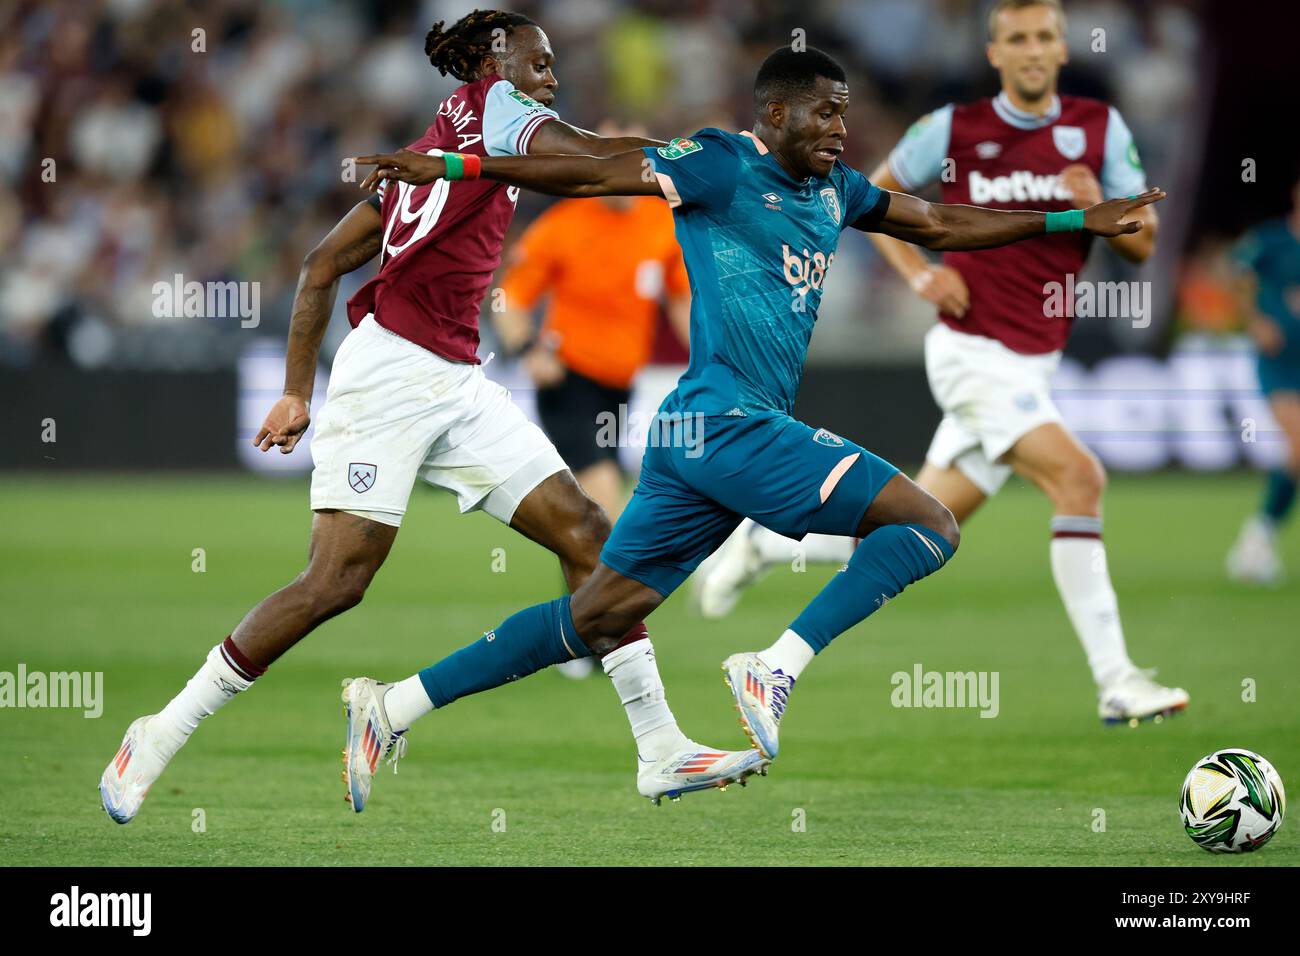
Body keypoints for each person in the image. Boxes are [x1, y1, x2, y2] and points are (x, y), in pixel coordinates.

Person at [347, 43, 1162, 798]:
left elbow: (940, 223)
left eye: (847, 113)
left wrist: (1070, 222)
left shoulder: (836, 190)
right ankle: (775, 666)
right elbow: (598, 174)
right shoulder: (721, 163)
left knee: (597, 615)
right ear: (775, 115)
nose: (843, 129)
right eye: (827, 112)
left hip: (689, 437)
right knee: (930, 524)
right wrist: (458, 164)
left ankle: (393, 706)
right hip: (728, 421)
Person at [99, 9, 761, 826]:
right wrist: (699, 161)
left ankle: (658, 746)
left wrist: (298, 387)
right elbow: (590, 167)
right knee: (336, 582)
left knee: (589, 534)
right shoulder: (496, 110)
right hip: (390, 376)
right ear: (494, 60)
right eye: (540, 60)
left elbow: (323, 264)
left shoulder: (439, 141)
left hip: (455, 376)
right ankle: (158, 733)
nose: (552, 74)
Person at [692, 0, 1189, 727]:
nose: (1031, 50)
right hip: (972, 350)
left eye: (1043, 37)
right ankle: (1116, 680)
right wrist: (919, 274)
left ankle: (764, 543)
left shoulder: (1098, 129)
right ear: (994, 52)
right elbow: (870, 200)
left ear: (1060, 46)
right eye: (1015, 38)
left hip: (1035, 361)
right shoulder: (953, 130)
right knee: (1080, 477)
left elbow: (1138, 240)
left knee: (917, 525)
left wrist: (1099, 205)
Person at [494, 126, 690, 678]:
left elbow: (681, 298)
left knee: (594, 516)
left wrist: (715, 359)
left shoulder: (660, 225)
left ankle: (579, 628)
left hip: (618, 386)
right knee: (607, 506)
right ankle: (598, 632)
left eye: (638, 159)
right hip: (567, 380)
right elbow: (510, 296)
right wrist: (526, 346)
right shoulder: (563, 226)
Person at [1226, 172, 1300, 585]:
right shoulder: (1271, 241)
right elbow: (1235, 273)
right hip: (1281, 364)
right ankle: (1258, 537)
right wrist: (1255, 320)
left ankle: (1258, 540)